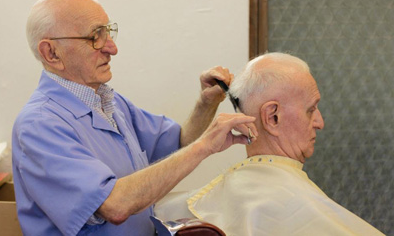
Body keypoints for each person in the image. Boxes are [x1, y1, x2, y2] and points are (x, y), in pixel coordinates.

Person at [12, 0, 258, 236]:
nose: (112, 48)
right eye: (95, 37)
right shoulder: (39, 126)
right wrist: (206, 145)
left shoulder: (109, 102)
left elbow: (178, 143)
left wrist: (206, 104)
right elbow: (115, 205)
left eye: (108, 32)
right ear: (51, 53)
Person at [154, 52, 384, 235]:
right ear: (272, 117)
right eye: (311, 109)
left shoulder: (173, 209)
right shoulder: (290, 203)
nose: (320, 122)